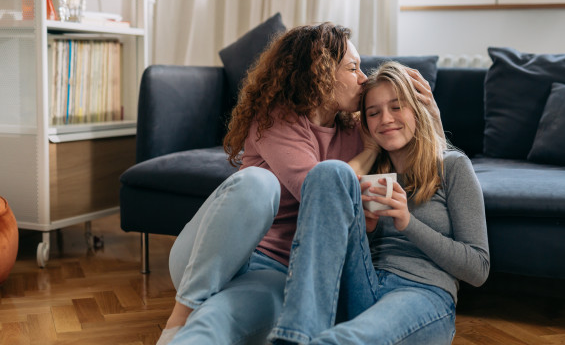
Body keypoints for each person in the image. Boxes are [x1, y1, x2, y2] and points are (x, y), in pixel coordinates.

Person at [157, 22, 442, 344]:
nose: (363, 79)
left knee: (218, 322)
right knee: (257, 182)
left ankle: (194, 323)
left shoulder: (358, 126)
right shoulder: (275, 120)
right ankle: (182, 310)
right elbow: (321, 191)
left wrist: (431, 113)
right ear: (319, 73)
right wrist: (368, 154)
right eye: (353, 68)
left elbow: (419, 152)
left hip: (275, 270)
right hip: (217, 254)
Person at [267, 62, 490, 345]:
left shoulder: (453, 166)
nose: (385, 119)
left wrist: (408, 223)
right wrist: (367, 229)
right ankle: (295, 335)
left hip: (421, 292)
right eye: (373, 113)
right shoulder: (372, 173)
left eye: (397, 107)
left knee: (342, 340)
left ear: (417, 109)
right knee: (329, 172)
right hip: (364, 284)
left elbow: (479, 270)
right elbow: (337, 236)